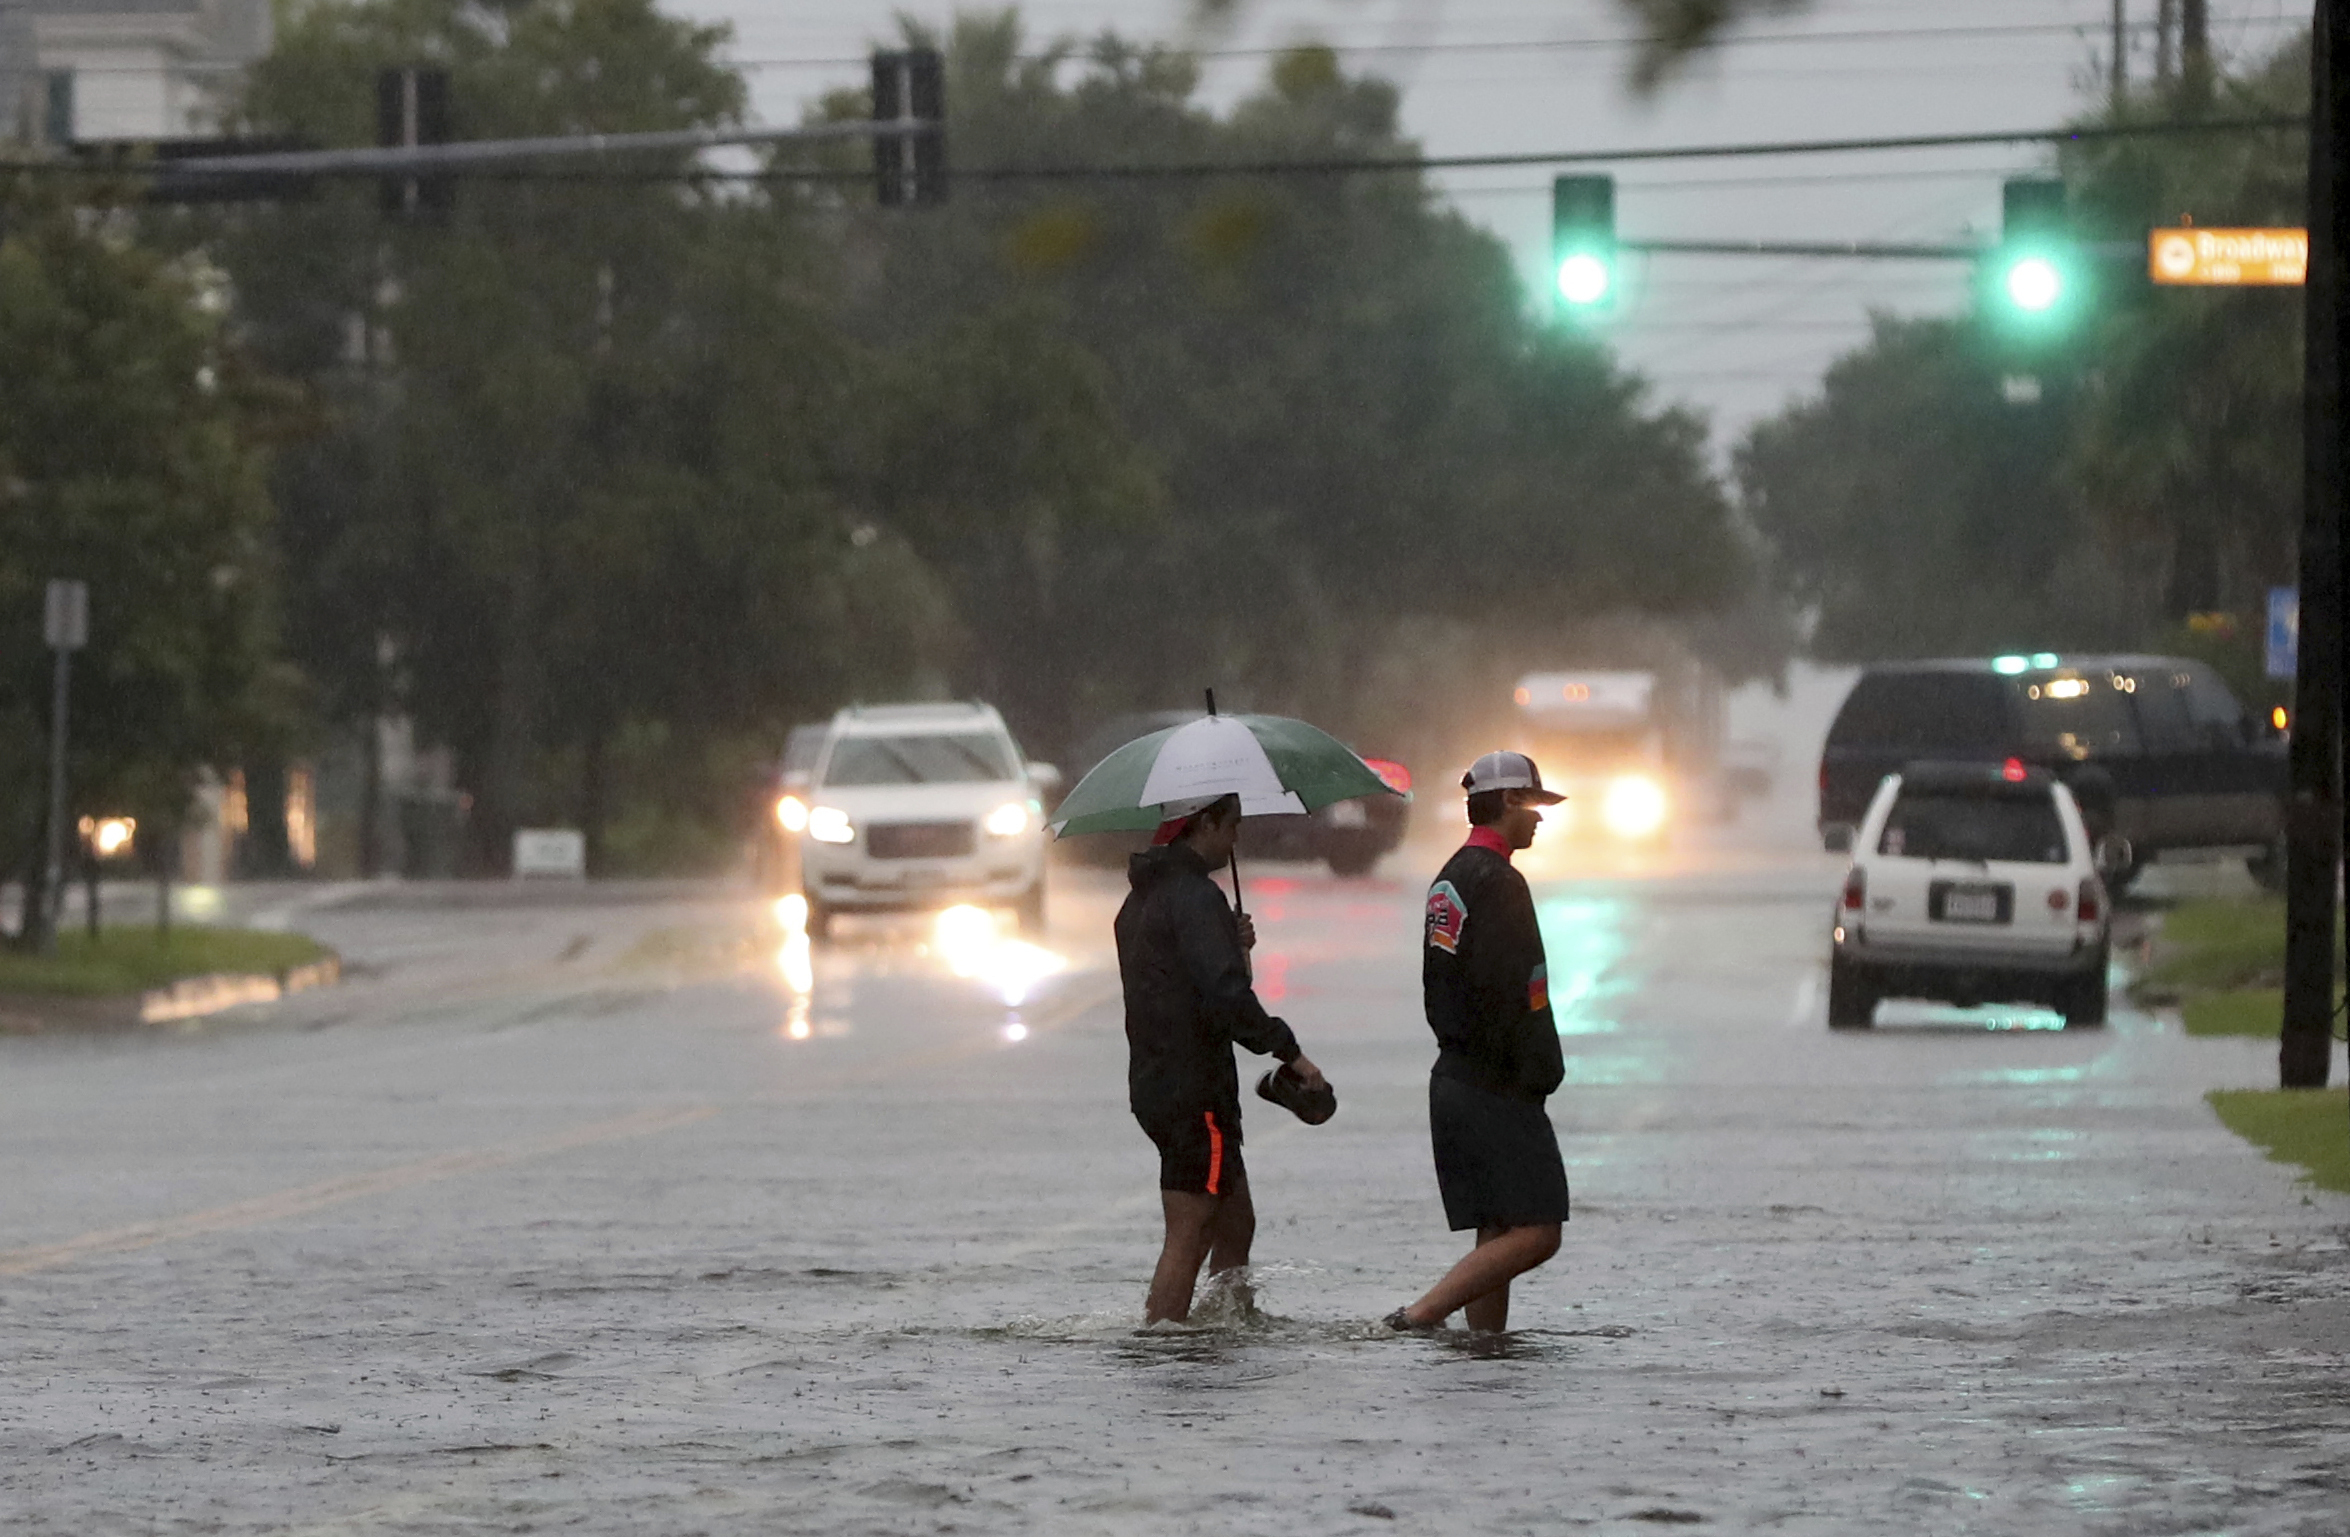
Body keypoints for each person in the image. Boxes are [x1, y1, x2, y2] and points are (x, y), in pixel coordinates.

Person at [1115, 792, 1327, 1324]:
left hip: (1158, 1083)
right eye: (1231, 825)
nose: (1236, 838)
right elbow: (1227, 998)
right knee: (1191, 1229)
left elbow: (1187, 982)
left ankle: (1226, 1326)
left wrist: (1232, 948)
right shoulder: (1195, 898)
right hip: (1195, 1093)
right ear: (1202, 823)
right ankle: (1164, 1343)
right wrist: (1289, 1051)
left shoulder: (1140, 901)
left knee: (1236, 1222)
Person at [1386, 751, 1569, 1334]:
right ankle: (1420, 1315)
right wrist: (1541, 1070)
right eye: (1535, 806)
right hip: (1497, 1082)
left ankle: (1485, 1347)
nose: (1540, 819)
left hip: (1457, 1076)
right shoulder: (1500, 882)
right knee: (1539, 1231)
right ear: (1509, 802)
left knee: (1496, 1225)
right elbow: (1519, 991)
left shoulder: (1451, 877)